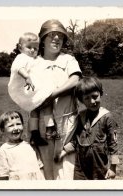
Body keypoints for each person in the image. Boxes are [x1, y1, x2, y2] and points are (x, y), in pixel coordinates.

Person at [32, 19, 82, 180]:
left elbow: (75, 80)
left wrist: (52, 95)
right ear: (42, 40)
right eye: (52, 35)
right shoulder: (34, 63)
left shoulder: (68, 59)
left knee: (66, 165)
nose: (56, 39)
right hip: (42, 122)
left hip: (67, 120)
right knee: (46, 167)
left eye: (60, 36)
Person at [57, 77, 119, 180]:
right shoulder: (81, 117)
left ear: (101, 93)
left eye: (95, 96)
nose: (92, 101)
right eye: (87, 98)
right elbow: (76, 140)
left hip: (99, 168)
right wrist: (64, 151)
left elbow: (113, 144)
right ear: (82, 100)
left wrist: (113, 167)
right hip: (80, 170)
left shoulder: (107, 117)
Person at [7, 32, 58, 146]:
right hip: (25, 87)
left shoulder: (35, 59)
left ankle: (35, 135)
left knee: (34, 109)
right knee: (47, 102)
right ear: (20, 47)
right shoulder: (21, 57)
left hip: (31, 90)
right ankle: (50, 129)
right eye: (29, 47)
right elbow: (19, 68)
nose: (32, 50)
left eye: (35, 48)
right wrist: (27, 77)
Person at [0, 111, 45, 180]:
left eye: (18, 124)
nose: (16, 128)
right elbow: (3, 175)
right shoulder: (4, 149)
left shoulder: (30, 145)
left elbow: (40, 166)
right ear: (3, 129)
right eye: (11, 125)